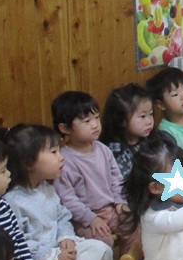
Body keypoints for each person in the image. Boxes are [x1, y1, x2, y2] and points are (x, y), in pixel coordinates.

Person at [3, 124, 124, 260]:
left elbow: (62, 216)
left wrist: (65, 238)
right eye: (53, 152)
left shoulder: (46, 187)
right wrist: (52, 256)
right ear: (28, 164)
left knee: (101, 250)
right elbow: (18, 242)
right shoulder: (13, 201)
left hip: (61, 246)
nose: (61, 157)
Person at [51, 91, 127, 247]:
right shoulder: (63, 160)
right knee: (102, 241)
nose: (95, 125)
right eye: (86, 121)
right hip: (83, 218)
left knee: (135, 226)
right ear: (65, 128)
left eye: (96, 118)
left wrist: (120, 202)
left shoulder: (103, 149)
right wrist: (91, 218)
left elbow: (117, 180)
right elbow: (67, 199)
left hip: (111, 209)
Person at [101, 83, 155, 181]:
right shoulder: (116, 152)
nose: (149, 121)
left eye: (151, 114)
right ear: (122, 121)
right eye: (142, 116)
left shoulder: (153, 139)